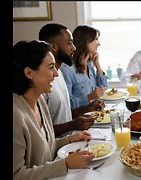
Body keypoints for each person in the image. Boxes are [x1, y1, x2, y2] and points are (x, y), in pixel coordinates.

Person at [13, 40, 96, 179]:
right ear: (29, 72)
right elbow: (17, 175)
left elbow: (45, 149)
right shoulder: (16, 115)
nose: (57, 74)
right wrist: (65, 164)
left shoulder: (39, 100)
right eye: (51, 67)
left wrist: (69, 140)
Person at [39, 23, 105, 137]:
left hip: (71, 138)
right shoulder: (42, 83)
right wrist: (73, 125)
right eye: (70, 43)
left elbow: (66, 112)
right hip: (58, 146)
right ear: (54, 47)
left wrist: (88, 108)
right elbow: (40, 132)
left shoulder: (58, 73)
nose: (74, 48)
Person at [60, 25, 108, 109]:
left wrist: (98, 66)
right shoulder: (68, 70)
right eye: (96, 39)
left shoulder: (90, 65)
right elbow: (67, 105)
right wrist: (89, 97)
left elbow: (104, 89)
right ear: (85, 42)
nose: (99, 44)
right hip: (81, 119)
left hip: (96, 115)